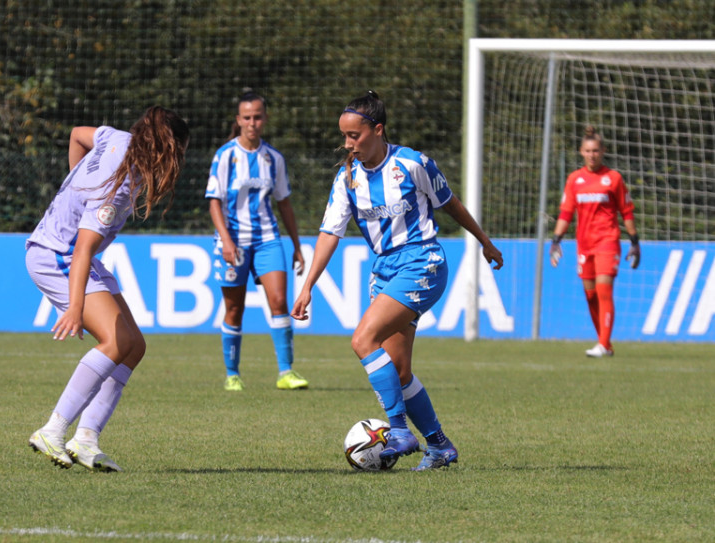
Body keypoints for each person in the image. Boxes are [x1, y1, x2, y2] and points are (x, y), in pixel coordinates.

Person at [290, 91, 503, 471]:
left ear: (377, 130)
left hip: (423, 262)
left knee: (362, 340)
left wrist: (484, 241)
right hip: (385, 269)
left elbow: (450, 204)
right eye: (344, 136)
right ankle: (439, 446)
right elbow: (329, 233)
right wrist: (308, 285)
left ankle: (400, 430)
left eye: (355, 135)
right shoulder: (348, 178)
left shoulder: (413, 164)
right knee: (399, 370)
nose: (348, 143)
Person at [25, 106, 189, 471]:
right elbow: (82, 249)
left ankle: (85, 440)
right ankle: (53, 429)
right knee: (114, 343)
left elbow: (76, 134)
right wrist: (73, 306)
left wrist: (75, 184)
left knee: (133, 347)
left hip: (68, 252)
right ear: (165, 150)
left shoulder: (116, 137)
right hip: (58, 255)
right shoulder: (116, 188)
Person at [205, 91, 307, 391]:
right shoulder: (225, 156)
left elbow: (284, 203)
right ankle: (232, 374)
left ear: (265, 118)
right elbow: (213, 202)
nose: (253, 123)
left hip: (267, 239)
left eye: (258, 116)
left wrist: (297, 246)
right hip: (233, 241)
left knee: (279, 301)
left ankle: (286, 372)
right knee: (234, 309)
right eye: (247, 117)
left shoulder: (273, 158)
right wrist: (226, 240)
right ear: (238, 121)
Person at [550, 125, 639, 358]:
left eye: (596, 151)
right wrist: (556, 240)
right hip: (584, 245)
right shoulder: (574, 180)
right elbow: (566, 213)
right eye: (588, 151)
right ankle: (605, 344)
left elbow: (626, 211)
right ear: (581, 152)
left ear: (603, 151)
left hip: (607, 242)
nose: (592, 155)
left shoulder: (613, 179)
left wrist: (634, 242)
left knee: (603, 290)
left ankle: (603, 343)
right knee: (590, 295)